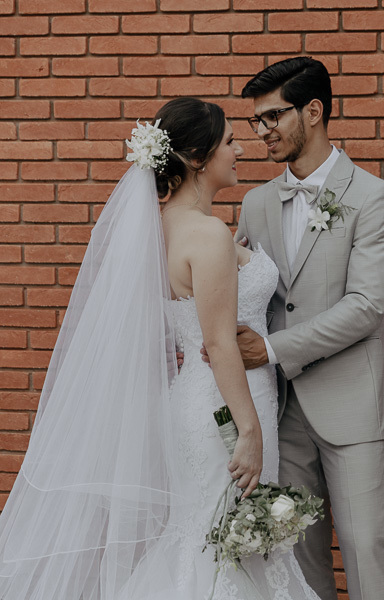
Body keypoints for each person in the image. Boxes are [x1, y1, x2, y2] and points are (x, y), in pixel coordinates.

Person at [0, 97, 320, 600]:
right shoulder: (208, 234)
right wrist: (249, 431)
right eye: (230, 141)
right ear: (197, 158)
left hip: (198, 400)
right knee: (222, 544)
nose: (240, 150)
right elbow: (218, 342)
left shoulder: (162, 229)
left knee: (208, 537)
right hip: (227, 409)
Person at [226, 56, 384, 600]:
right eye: (256, 120)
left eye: (273, 116)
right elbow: (237, 289)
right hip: (279, 409)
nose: (262, 131)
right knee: (298, 558)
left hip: (350, 404)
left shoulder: (372, 196)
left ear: (314, 111)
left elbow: (366, 306)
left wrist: (270, 348)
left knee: (365, 546)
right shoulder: (256, 203)